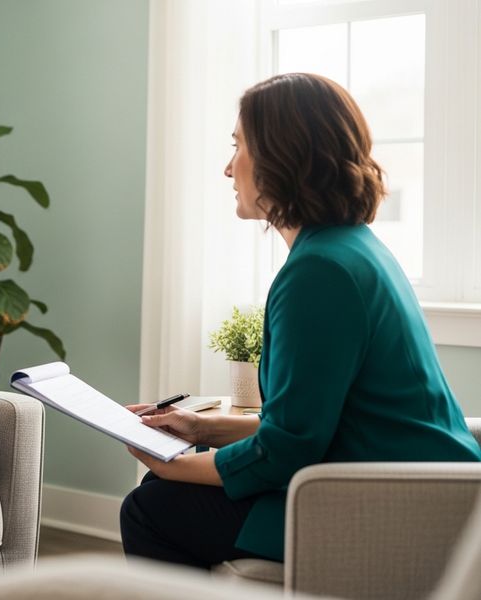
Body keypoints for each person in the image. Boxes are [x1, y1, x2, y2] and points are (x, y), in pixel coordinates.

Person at [119, 73, 481, 567]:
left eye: (238, 147)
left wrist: (168, 464)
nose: (228, 170)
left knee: (151, 506)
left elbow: (287, 451)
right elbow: (303, 427)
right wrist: (197, 430)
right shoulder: (346, 249)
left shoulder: (319, 271)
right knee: (161, 493)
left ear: (279, 157)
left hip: (388, 503)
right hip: (394, 479)